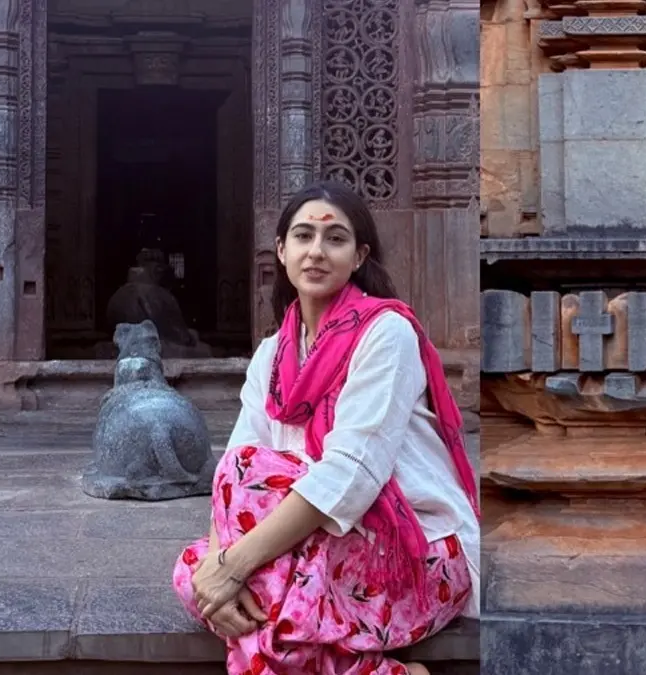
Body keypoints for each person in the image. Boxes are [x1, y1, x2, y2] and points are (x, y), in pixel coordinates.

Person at [171, 180, 481, 675]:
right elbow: (232, 477)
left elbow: (350, 475)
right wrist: (217, 564)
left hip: (411, 552)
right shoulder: (273, 354)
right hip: (319, 544)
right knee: (194, 573)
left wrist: (232, 568)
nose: (316, 251)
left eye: (335, 239)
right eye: (303, 237)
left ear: (359, 256)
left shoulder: (387, 334)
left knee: (265, 602)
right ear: (281, 249)